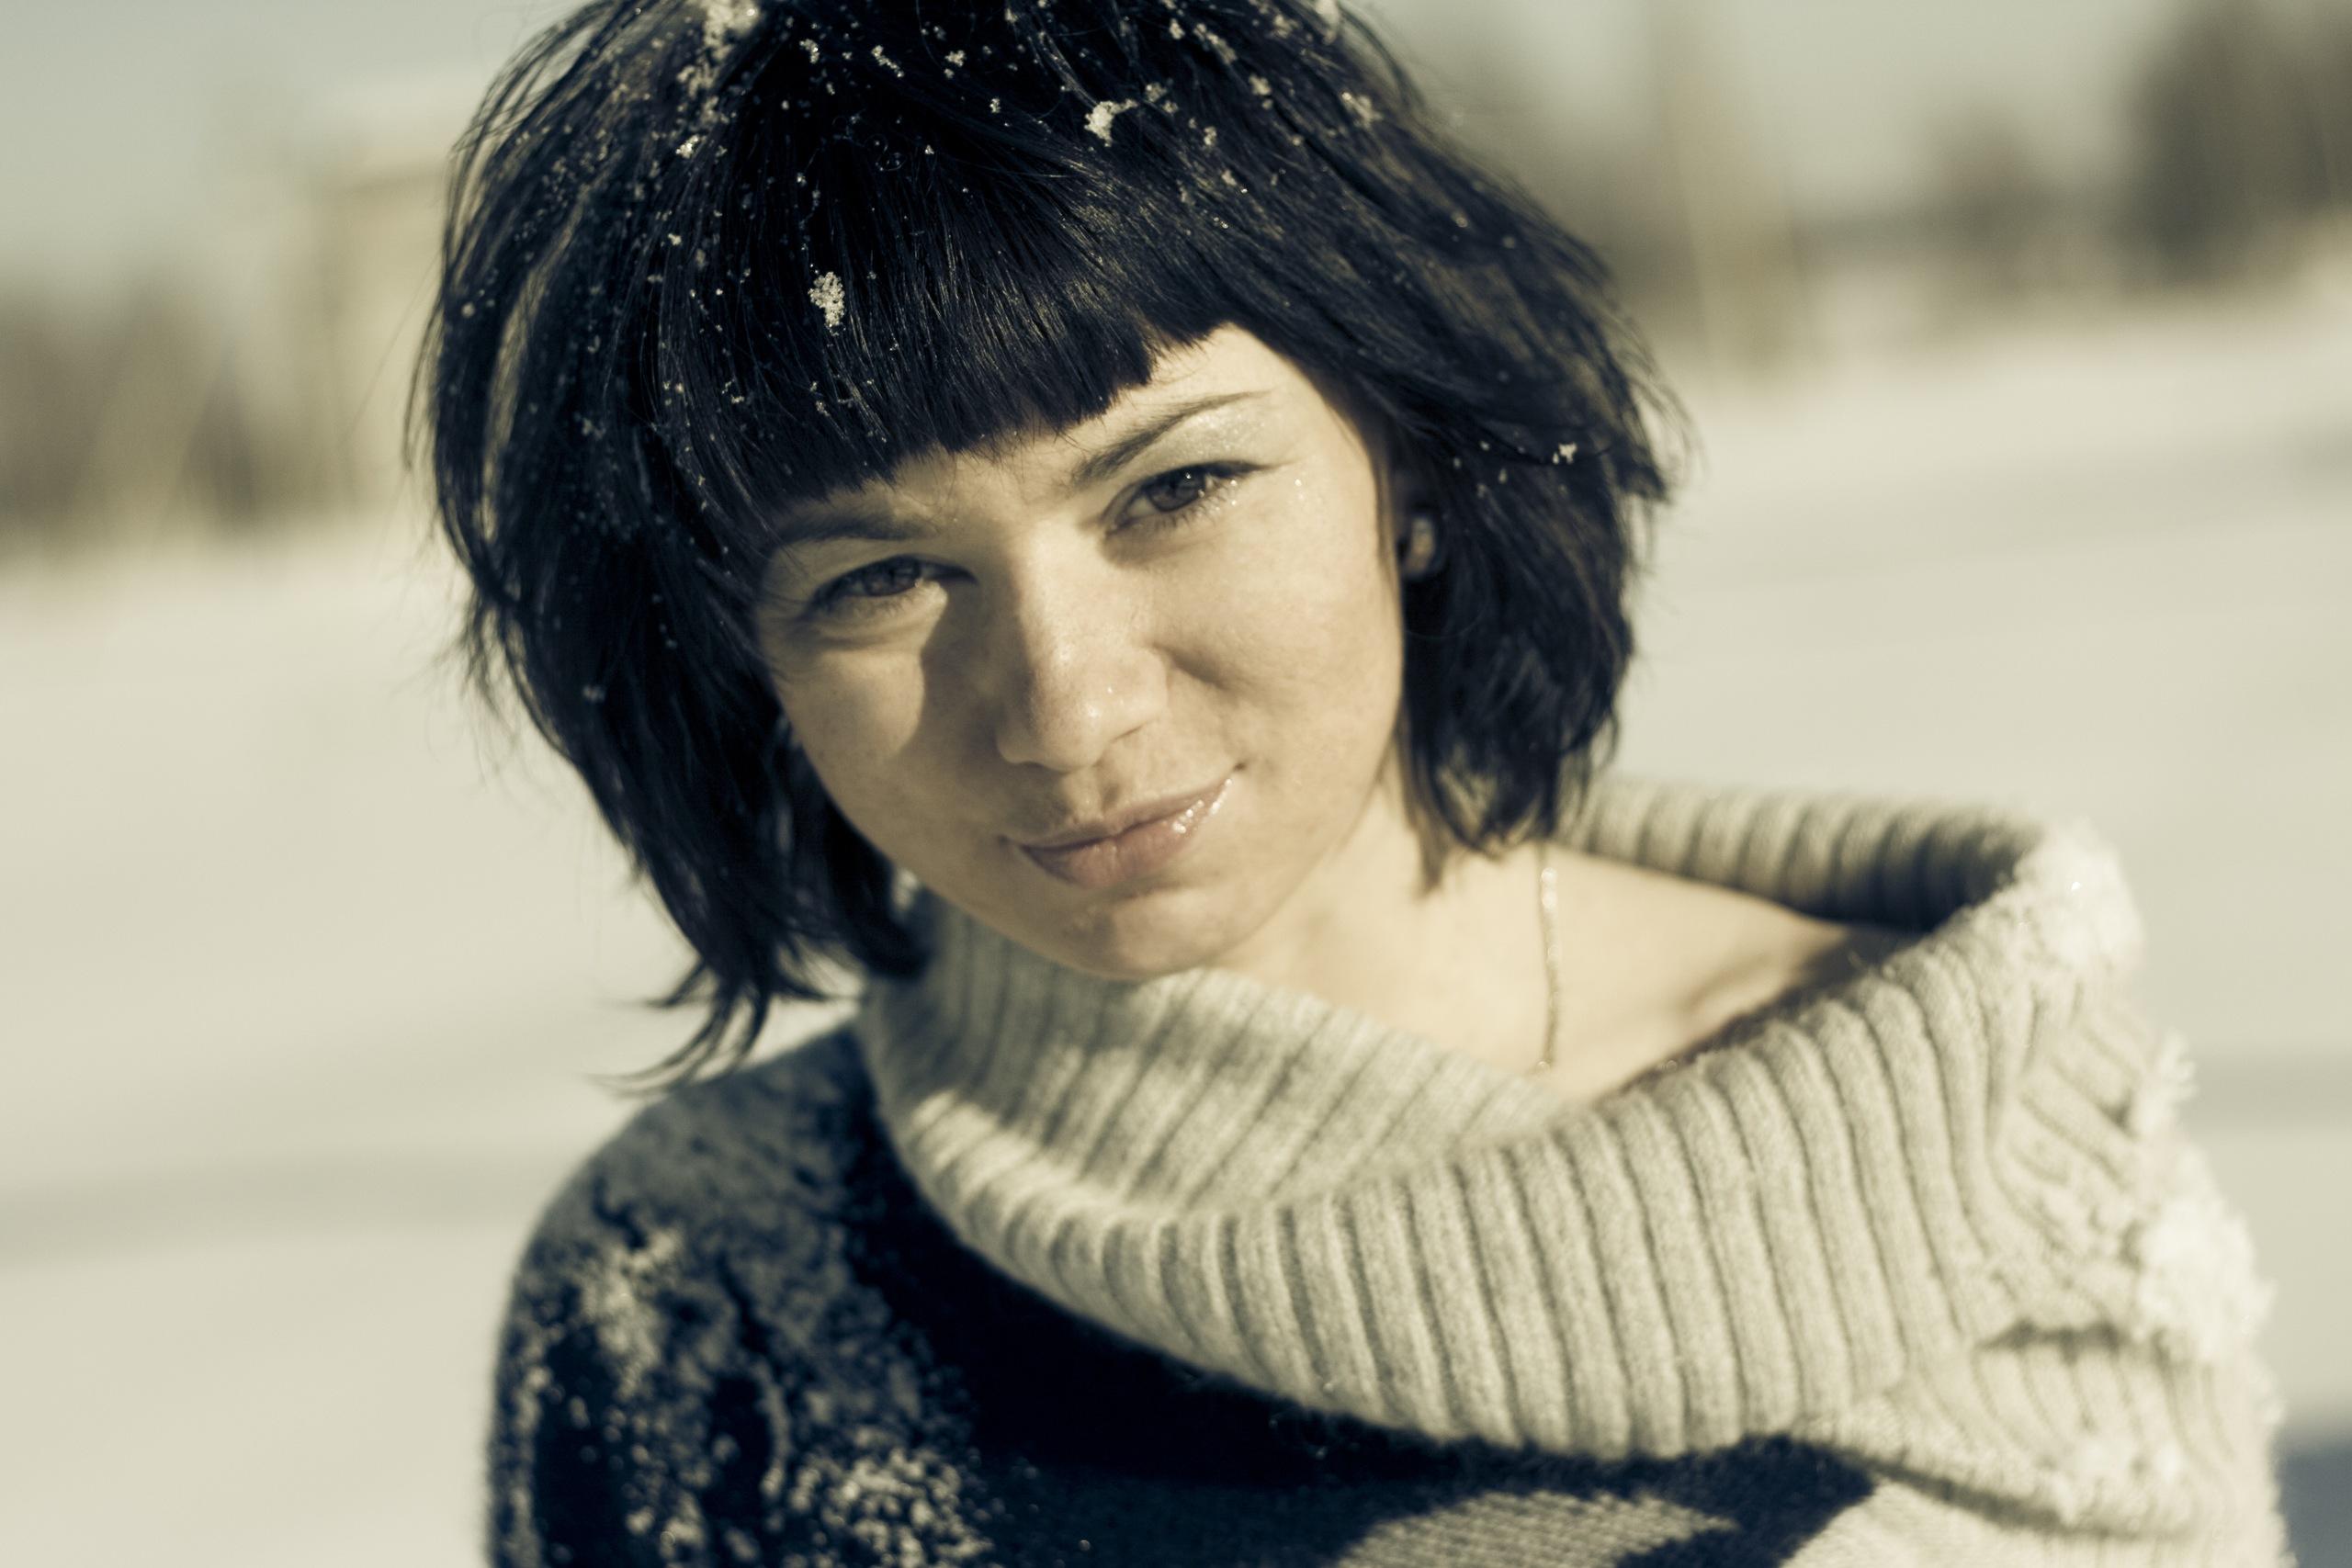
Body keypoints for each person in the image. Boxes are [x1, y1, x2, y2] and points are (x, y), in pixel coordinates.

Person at [424, 1, 2286, 1562]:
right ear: (740, 663)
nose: (1065, 708)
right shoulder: (706, 1297)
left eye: (1171, 488)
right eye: (879, 579)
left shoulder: (1980, 1108)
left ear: (1408, 456)